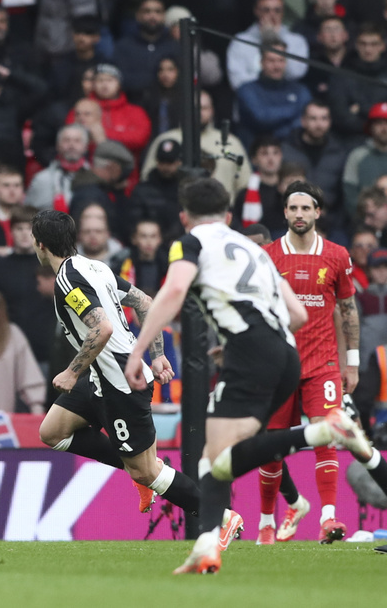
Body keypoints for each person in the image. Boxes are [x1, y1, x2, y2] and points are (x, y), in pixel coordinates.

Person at [125, 177, 373, 574]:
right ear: (227, 215)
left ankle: (323, 433)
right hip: (285, 352)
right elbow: (297, 315)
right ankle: (207, 547)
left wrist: (139, 352)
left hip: (251, 354)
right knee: (219, 457)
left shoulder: (190, 242)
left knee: (217, 456)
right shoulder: (255, 249)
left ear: (184, 216)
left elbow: (172, 292)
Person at [31, 208, 202, 520]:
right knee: (52, 431)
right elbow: (146, 303)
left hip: (121, 384)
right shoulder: (95, 267)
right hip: (102, 375)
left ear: (41, 245)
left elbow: (103, 328)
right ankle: (138, 470)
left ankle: (220, 516)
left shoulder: (67, 282)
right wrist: (158, 354)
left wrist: (71, 372)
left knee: (146, 472)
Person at [255, 181, 361, 544]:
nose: (299, 214)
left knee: (326, 433)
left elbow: (347, 310)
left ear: (318, 212)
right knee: (272, 445)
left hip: (323, 363)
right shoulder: (268, 256)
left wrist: (353, 363)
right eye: (293, 208)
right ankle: (266, 521)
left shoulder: (337, 255)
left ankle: (328, 519)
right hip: (280, 365)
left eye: (306, 208)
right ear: (284, 213)